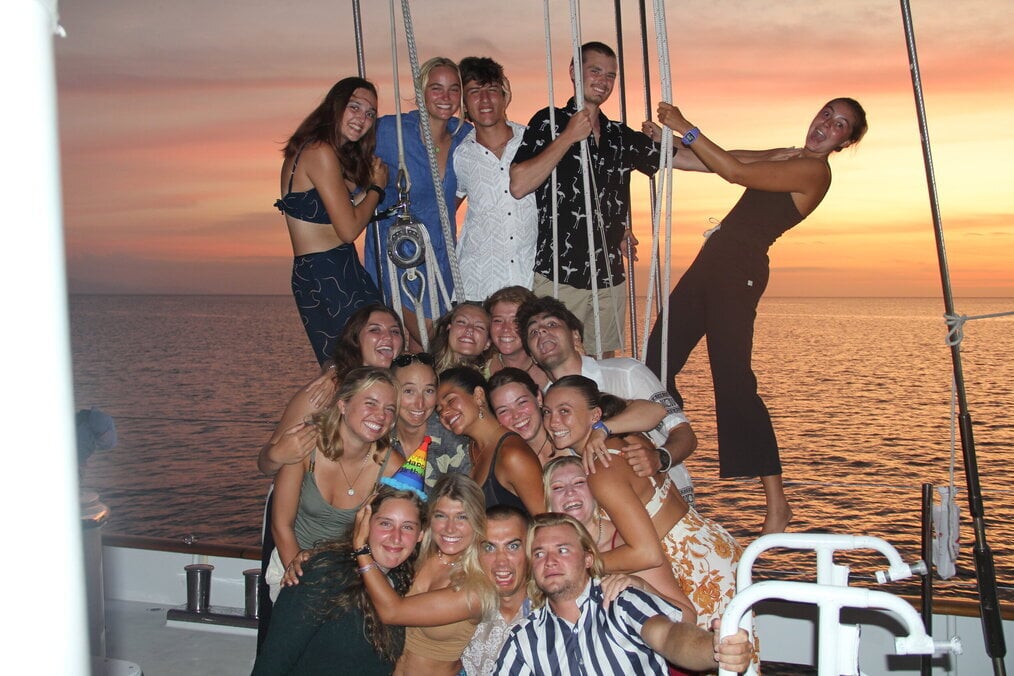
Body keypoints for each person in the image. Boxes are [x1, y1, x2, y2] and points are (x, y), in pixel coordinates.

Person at [644, 98, 868, 535]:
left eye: (840, 125)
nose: (827, 124)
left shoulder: (814, 173)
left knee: (734, 381)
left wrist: (686, 126)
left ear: (844, 142)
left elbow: (735, 172)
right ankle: (669, 449)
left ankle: (777, 504)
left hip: (738, 272)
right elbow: (714, 161)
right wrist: (668, 146)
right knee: (657, 359)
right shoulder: (789, 155)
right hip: (711, 263)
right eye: (827, 113)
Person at [542, 376, 745, 632]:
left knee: (722, 652)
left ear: (595, 415)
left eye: (564, 411)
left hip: (695, 567)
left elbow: (646, 553)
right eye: (547, 412)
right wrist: (603, 429)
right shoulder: (625, 436)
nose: (552, 422)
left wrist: (582, 563)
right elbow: (654, 410)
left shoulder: (602, 470)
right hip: (709, 546)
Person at [509, 42, 662, 358]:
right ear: (574, 72)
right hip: (559, 274)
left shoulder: (618, 135)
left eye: (611, 75)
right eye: (595, 71)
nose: (603, 81)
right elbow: (519, 184)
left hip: (608, 276)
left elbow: (680, 158)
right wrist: (568, 136)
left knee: (602, 365)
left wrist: (688, 136)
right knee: (553, 362)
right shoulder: (549, 121)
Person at [494, 513, 754, 675]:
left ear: (587, 559)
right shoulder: (526, 637)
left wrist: (714, 648)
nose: (549, 561)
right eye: (539, 553)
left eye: (562, 550)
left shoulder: (620, 601)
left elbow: (670, 637)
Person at [516, 295, 697, 504]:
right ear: (532, 356)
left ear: (575, 336)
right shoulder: (547, 410)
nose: (542, 331)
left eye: (551, 324)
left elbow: (685, 435)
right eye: (533, 332)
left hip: (671, 502)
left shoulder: (626, 372)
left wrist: (659, 458)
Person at [252, 485, 425, 675]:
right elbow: (273, 662)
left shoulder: (403, 583)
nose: (396, 537)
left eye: (407, 527)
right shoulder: (324, 575)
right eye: (385, 523)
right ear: (364, 524)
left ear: (420, 535)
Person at [276, 77, 389, 365]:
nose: (362, 118)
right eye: (355, 107)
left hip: (328, 270)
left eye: (370, 113)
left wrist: (365, 187)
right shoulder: (320, 152)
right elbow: (349, 229)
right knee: (356, 365)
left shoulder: (316, 151)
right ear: (336, 105)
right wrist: (377, 188)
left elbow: (340, 210)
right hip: (328, 272)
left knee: (357, 364)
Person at [266, 367, 402, 601]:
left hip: (350, 571)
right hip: (292, 561)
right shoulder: (305, 445)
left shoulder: (392, 467)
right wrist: (301, 577)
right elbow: (281, 525)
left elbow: (392, 533)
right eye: (371, 403)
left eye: (389, 409)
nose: (381, 416)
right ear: (342, 405)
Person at [369, 57, 471, 347]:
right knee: (435, 343)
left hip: (443, 255)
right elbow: (348, 167)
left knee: (419, 351)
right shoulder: (391, 132)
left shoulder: (465, 135)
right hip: (400, 253)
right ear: (421, 91)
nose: (446, 97)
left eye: (453, 89)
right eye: (436, 88)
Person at [354, 473, 498, 676]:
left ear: (477, 522)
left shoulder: (474, 589)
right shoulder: (415, 557)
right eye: (441, 516)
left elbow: (392, 612)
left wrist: (361, 550)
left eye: (462, 517)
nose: (450, 528)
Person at [257, 304, 405, 477]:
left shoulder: (402, 387)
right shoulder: (325, 391)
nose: (387, 336)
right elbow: (265, 464)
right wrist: (276, 456)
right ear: (355, 339)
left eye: (395, 331)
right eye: (375, 330)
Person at [453, 57, 538, 301]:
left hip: (528, 282)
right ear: (464, 103)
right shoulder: (459, 154)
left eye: (492, 89)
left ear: (504, 96)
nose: (485, 99)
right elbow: (443, 211)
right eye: (474, 92)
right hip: (476, 285)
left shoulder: (534, 142)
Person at [487, 367, 668, 467]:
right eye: (503, 411)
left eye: (521, 402)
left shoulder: (580, 431)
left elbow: (656, 410)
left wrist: (602, 429)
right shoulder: (511, 458)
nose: (516, 415)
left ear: (538, 398)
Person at [436, 367, 545, 515]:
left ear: (478, 395)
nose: (444, 412)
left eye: (450, 401)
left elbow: (546, 520)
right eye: (439, 410)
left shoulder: (512, 455)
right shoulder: (468, 450)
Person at [461, 505, 532, 676]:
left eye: (513, 546)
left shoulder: (552, 613)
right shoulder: (462, 612)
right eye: (489, 548)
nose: (501, 561)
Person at [390, 351, 471, 494]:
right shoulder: (378, 435)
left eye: (428, 391)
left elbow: (465, 499)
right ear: (391, 390)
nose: (420, 403)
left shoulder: (452, 441)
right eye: (409, 391)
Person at [483, 286, 548, 389]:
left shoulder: (553, 367)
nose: (505, 328)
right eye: (498, 320)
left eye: (515, 321)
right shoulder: (479, 370)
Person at [430, 301, 492, 373]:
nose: (469, 329)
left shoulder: (494, 378)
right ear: (448, 329)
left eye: (479, 327)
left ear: (488, 343)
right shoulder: (424, 370)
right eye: (461, 322)